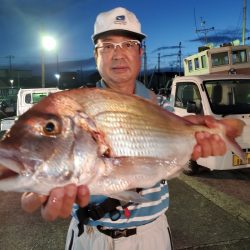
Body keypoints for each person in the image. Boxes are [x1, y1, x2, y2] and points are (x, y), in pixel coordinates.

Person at [21, 7, 231, 250]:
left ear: (140, 52)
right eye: (107, 46)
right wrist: (38, 186)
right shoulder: (74, 109)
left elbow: (176, 158)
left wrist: (200, 142)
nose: (118, 55)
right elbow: (35, 182)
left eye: (128, 44)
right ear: (96, 55)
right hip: (88, 236)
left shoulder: (162, 107)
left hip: (150, 236)